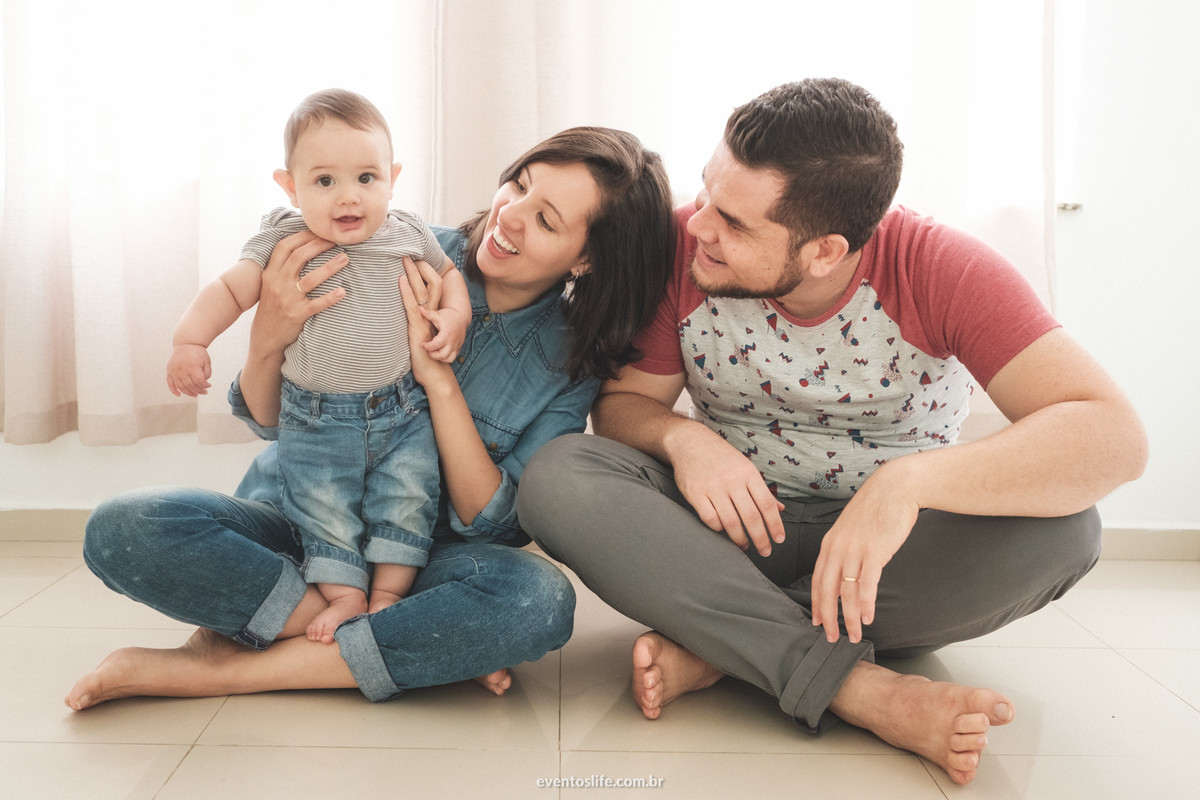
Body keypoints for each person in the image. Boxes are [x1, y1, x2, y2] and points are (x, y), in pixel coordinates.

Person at [516, 78, 1148, 786]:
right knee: (560, 472)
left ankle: (728, 644)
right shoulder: (685, 245)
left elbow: (1113, 436)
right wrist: (684, 439)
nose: (698, 224)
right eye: (707, 190)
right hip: (729, 537)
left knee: (1069, 531)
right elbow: (626, 405)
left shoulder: (942, 267)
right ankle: (862, 691)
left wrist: (906, 484)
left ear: (824, 251)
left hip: (883, 560)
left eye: (734, 222)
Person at [65, 126, 675, 709]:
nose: (509, 215)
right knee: (123, 527)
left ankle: (228, 667)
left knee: (537, 600)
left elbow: (491, 523)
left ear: (587, 259)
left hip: (416, 562)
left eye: (546, 220)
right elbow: (272, 424)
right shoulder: (390, 243)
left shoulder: (572, 361)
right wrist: (266, 342)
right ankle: (396, 645)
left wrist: (438, 383)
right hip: (297, 526)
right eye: (520, 184)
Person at [167, 89, 473, 643]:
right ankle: (345, 594)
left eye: (366, 178)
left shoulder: (406, 229)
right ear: (290, 185)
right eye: (324, 181)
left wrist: (454, 317)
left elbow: (450, 274)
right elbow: (230, 290)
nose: (347, 197)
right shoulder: (283, 237)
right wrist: (190, 340)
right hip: (313, 420)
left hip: (401, 409)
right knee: (321, 507)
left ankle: (387, 595)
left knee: (409, 495)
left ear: (392, 177)